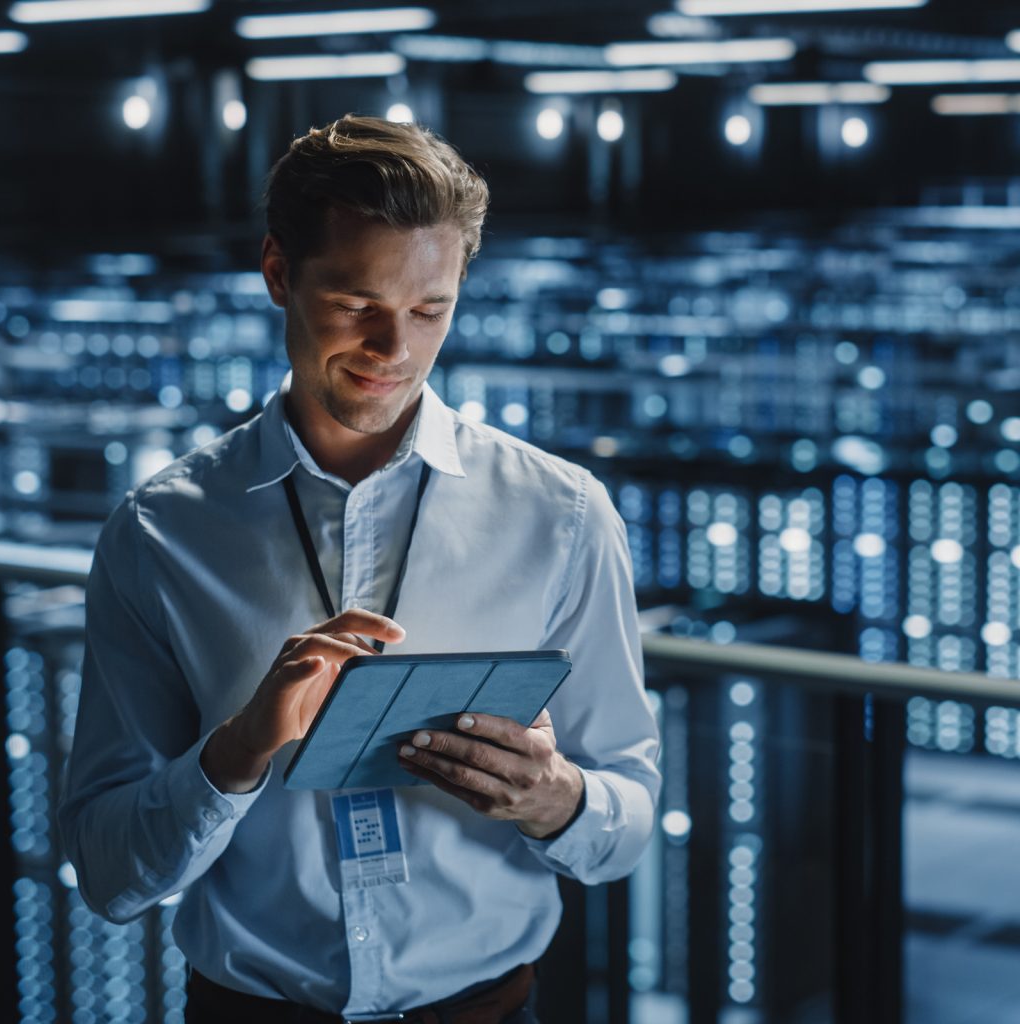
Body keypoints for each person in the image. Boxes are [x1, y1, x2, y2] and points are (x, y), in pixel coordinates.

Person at [59, 114, 661, 1024]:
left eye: (430, 311)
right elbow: (108, 872)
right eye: (356, 305)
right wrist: (234, 755)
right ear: (278, 275)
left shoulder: (563, 514)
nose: (395, 351)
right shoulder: (159, 535)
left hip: (488, 1009)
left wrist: (557, 797)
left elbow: (629, 816)